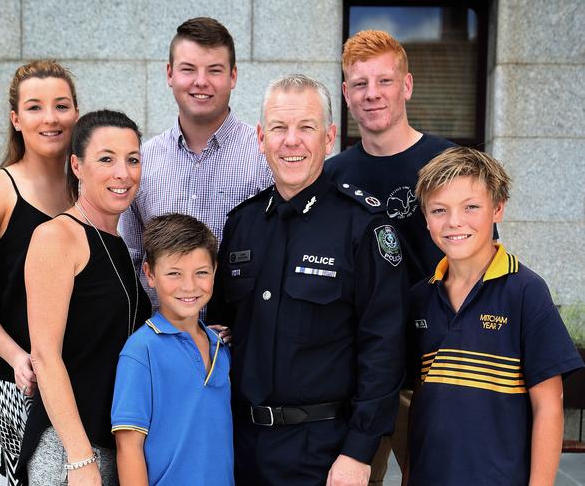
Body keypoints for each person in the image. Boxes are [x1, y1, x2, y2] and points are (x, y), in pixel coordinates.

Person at [208, 74, 408, 486]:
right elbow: (222, 329)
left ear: (330, 136)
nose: (291, 141)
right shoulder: (241, 224)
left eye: (306, 128)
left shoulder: (361, 227)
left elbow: (384, 346)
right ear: (261, 137)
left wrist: (358, 450)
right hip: (240, 446)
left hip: (325, 451)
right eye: (279, 128)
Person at [406, 146, 584, 485]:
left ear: (497, 209)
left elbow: (549, 405)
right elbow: (421, 397)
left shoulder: (525, 292)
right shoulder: (420, 298)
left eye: (471, 207)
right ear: (426, 220)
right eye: (439, 210)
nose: (454, 221)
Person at [324, 30, 456, 484]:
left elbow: (479, 269)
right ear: (346, 93)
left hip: (436, 373)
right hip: (361, 380)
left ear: (407, 85)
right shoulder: (332, 176)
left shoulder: (447, 162)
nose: (372, 94)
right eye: (360, 84)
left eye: (384, 81)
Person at [0, 60, 79, 485]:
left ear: (76, 114)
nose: (50, 118)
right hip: (17, 380)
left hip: (82, 376)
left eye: (61, 106)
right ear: (16, 118)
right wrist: (17, 357)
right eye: (35, 107)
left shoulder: (88, 190)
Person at [18, 110, 151, 485]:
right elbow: (45, 356)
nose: (122, 172)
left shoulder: (119, 243)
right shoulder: (57, 237)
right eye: (106, 159)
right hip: (70, 450)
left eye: (132, 159)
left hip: (112, 441)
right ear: (77, 165)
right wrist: (79, 458)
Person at [120, 16, 273, 308]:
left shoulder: (264, 156)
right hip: (161, 342)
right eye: (188, 69)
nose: (200, 81)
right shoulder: (142, 160)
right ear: (170, 74)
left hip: (240, 343)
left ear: (233, 76)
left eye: (214, 70)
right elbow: (132, 259)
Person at [111, 213, 233, 485]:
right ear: (150, 274)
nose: (189, 286)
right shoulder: (141, 351)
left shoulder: (220, 348)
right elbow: (128, 447)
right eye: (174, 274)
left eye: (201, 272)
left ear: (215, 270)